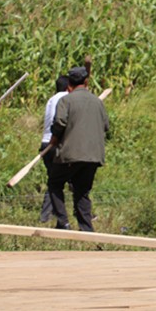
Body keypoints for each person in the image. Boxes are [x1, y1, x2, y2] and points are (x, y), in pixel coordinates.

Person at [48, 67, 109, 231]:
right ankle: (86, 229)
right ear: (86, 81)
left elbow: (59, 123)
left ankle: (63, 223)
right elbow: (106, 126)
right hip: (94, 155)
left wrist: (55, 137)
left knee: (54, 183)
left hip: (70, 153)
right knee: (82, 191)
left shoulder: (66, 101)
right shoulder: (97, 102)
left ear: (69, 83)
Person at [39, 75, 69, 223]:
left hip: (46, 144)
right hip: (56, 144)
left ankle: (47, 215)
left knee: (54, 181)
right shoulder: (67, 99)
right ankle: (82, 213)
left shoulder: (51, 99)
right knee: (71, 181)